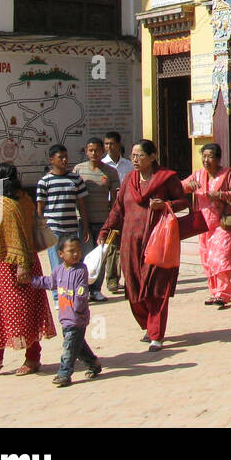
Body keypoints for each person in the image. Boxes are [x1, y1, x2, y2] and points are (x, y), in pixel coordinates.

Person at [96, 139, 187, 352]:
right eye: (133, 156)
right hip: (130, 242)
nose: (135, 160)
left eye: (140, 156)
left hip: (157, 241)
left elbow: (184, 202)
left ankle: (156, 334)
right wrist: (105, 230)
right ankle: (148, 324)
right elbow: (118, 209)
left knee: (157, 288)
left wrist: (166, 204)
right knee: (134, 288)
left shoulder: (167, 178)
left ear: (153, 156)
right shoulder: (129, 179)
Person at [0, 163, 56, 376]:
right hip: (9, 265)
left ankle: (32, 357)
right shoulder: (24, 199)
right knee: (1, 311)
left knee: (22, 312)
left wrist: (21, 265)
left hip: (14, 267)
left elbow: (15, 236)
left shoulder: (4, 205)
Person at [23, 235, 100, 387]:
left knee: (69, 347)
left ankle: (64, 373)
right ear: (61, 254)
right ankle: (93, 363)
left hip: (77, 318)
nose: (76, 254)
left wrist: (77, 310)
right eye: (71, 251)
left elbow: (81, 292)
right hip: (65, 317)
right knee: (78, 346)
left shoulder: (81, 270)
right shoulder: (58, 271)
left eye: (78, 250)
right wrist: (31, 281)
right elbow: (49, 282)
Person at [182, 142, 231, 308]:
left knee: (221, 258)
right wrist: (189, 185)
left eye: (210, 156)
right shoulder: (198, 175)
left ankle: (223, 293)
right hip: (203, 225)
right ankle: (214, 291)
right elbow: (180, 187)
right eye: (204, 156)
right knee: (208, 260)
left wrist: (220, 195)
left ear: (218, 159)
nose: (206, 160)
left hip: (224, 225)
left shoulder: (229, 174)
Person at [35, 144, 90, 280]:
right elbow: (40, 207)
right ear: (51, 160)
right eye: (61, 157)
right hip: (53, 228)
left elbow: (82, 205)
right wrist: (40, 228)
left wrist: (85, 226)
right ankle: (57, 297)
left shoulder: (75, 179)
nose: (64, 160)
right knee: (57, 264)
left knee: (72, 261)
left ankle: (71, 292)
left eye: (66, 157)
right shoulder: (44, 181)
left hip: (71, 228)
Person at [74, 137, 118, 302]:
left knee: (100, 255)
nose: (94, 153)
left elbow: (114, 199)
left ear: (102, 151)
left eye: (97, 150)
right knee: (84, 256)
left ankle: (96, 290)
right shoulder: (78, 170)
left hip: (103, 221)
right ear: (86, 151)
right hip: (83, 221)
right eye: (91, 150)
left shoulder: (110, 172)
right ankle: (83, 289)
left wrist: (111, 221)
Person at [103, 132, 132, 295]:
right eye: (106, 144)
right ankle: (112, 279)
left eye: (112, 144)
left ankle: (129, 280)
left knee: (126, 244)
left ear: (119, 144)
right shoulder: (102, 165)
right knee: (112, 244)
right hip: (110, 209)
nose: (109, 147)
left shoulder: (128, 165)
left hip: (127, 210)